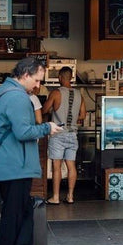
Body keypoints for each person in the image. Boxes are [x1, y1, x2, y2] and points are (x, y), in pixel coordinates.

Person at [0, 57, 62, 245]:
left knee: (17, 214)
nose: (38, 86)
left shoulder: (2, 92)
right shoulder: (18, 98)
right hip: (16, 165)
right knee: (18, 215)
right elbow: (23, 132)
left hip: (6, 163)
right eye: (38, 80)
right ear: (26, 74)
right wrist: (47, 128)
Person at [42, 66, 86, 205]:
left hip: (58, 134)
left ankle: (55, 197)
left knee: (57, 166)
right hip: (73, 134)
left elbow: (44, 110)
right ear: (71, 77)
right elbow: (83, 115)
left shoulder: (55, 93)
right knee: (71, 166)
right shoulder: (80, 94)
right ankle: (70, 196)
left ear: (60, 77)